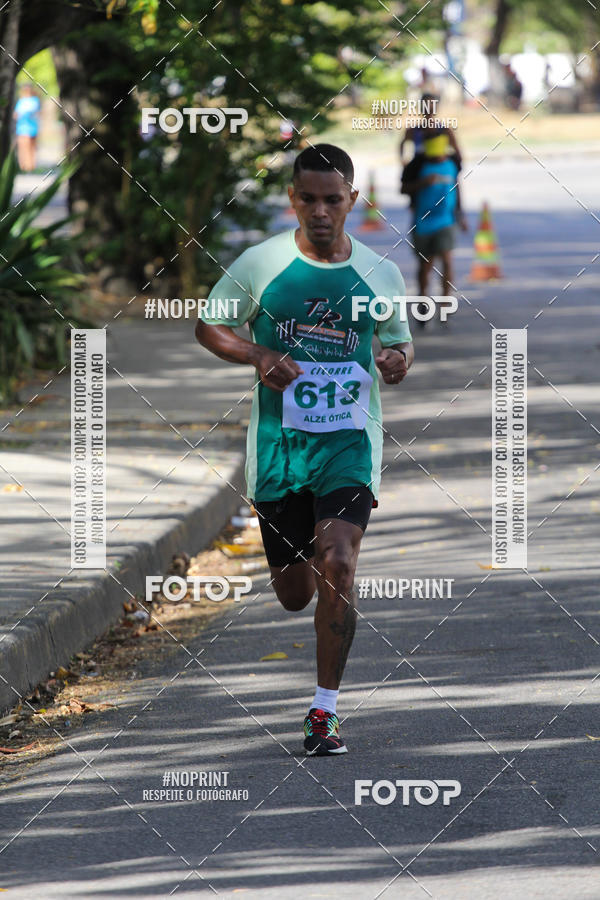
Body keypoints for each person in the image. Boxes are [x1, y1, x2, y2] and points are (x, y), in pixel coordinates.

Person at [195, 144, 414, 756]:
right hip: (279, 451)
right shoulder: (261, 264)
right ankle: (310, 573)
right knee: (295, 593)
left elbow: (398, 341)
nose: (321, 211)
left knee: (338, 560)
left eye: (332, 200)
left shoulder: (380, 273)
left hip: (348, 445)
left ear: (353, 201)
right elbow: (209, 325)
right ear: (293, 199)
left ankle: (325, 712)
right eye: (309, 199)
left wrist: (398, 359)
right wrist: (257, 353)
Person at [402, 133, 467, 321]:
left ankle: (445, 304)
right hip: (423, 221)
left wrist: (460, 214)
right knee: (426, 265)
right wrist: (422, 183)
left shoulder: (453, 163)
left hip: (446, 220)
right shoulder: (417, 164)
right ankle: (423, 300)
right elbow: (403, 188)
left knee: (447, 260)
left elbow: (457, 187)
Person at [13, 84, 41, 172]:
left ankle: (30, 167)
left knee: (31, 147)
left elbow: (35, 112)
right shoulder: (21, 101)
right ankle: (23, 166)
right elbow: (16, 114)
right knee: (23, 147)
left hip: (31, 127)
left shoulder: (34, 100)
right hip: (22, 128)